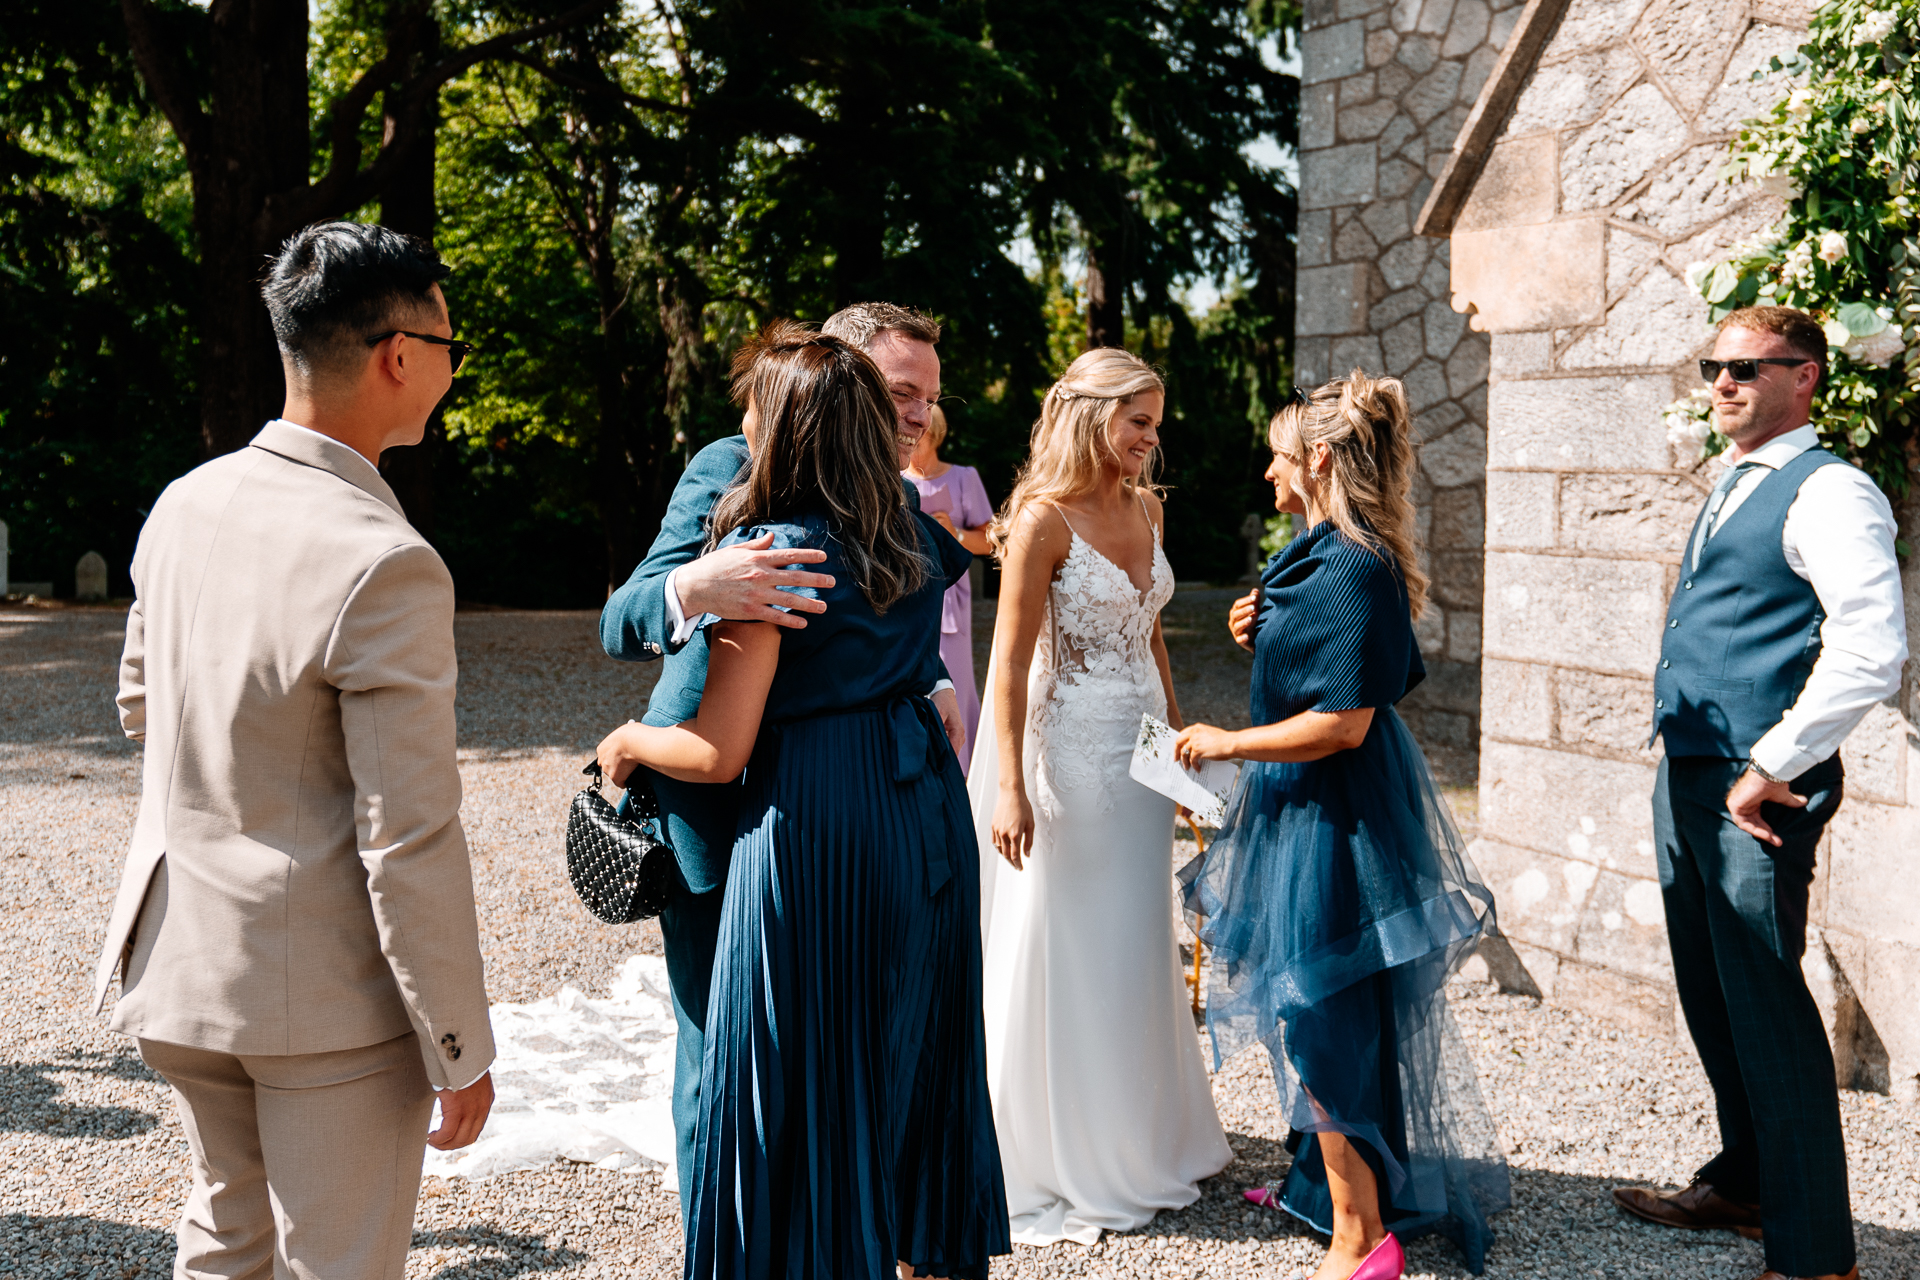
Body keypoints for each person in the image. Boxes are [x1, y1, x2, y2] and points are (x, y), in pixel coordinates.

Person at [92, 221, 496, 1278]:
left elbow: (142, 706)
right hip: (319, 1000)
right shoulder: (385, 559)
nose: (452, 371)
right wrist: (458, 1039)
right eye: (452, 348)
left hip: (181, 958)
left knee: (226, 1240)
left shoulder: (186, 502)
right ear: (399, 354)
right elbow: (405, 833)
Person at [595, 323, 1007, 1279]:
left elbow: (719, 744)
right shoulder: (904, 526)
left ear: (782, 421)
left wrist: (624, 742)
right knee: (899, 1045)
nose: (919, 416)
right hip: (911, 814)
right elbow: (630, 613)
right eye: (899, 393)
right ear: (857, 398)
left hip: (806, 825)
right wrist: (696, 586)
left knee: (775, 1075)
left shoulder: (779, 547)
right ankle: (904, 1245)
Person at [1174, 373, 1508, 1279]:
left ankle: (1366, 1239)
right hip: (1308, 798)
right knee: (1310, 1001)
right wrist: (1261, 629)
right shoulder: (1314, 552)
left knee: (1321, 1009)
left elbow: (1349, 718)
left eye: (1280, 457)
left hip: (1336, 805)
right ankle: (1319, 1191)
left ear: (1319, 459)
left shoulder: (1355, 564)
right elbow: (1330, 659)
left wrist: (1227, 741)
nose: (1269, 474)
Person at [1611, 307, 1906, 1280]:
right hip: (1690, 769)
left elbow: (1873, 645)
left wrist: (1777, 760)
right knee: (1714, 993)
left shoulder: (1832, 490)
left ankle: (1818, 1252)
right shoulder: (1741, 481)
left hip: (1758, 787)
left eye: (1746, 367)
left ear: (1807, 377)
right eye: (1713, 366)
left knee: (1768, 1002)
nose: (1723, 383)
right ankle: (1746, 1185)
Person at [970, 346, 1231, 1247]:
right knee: (1073, 938)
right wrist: (1011, 785)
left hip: (1142, 752)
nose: (1151, 442)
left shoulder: (1148, 508)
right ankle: (1054, 1147)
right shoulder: (1042, 521)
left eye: (1155, 425)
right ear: (1092, 416)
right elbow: (1006, 666)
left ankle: (1143, 1130)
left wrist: (1181, 750)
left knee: (1136, 934)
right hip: (1067, 757)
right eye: (1140, 423)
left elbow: (1153, 640)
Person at [903, 404, 993, 765]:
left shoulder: (963, 477)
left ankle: (961, 762)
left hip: (950, 595)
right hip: (906, 591)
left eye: (921, 433)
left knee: (954, 678)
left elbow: (990, 540)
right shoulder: (894, 480)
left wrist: (952, 532)